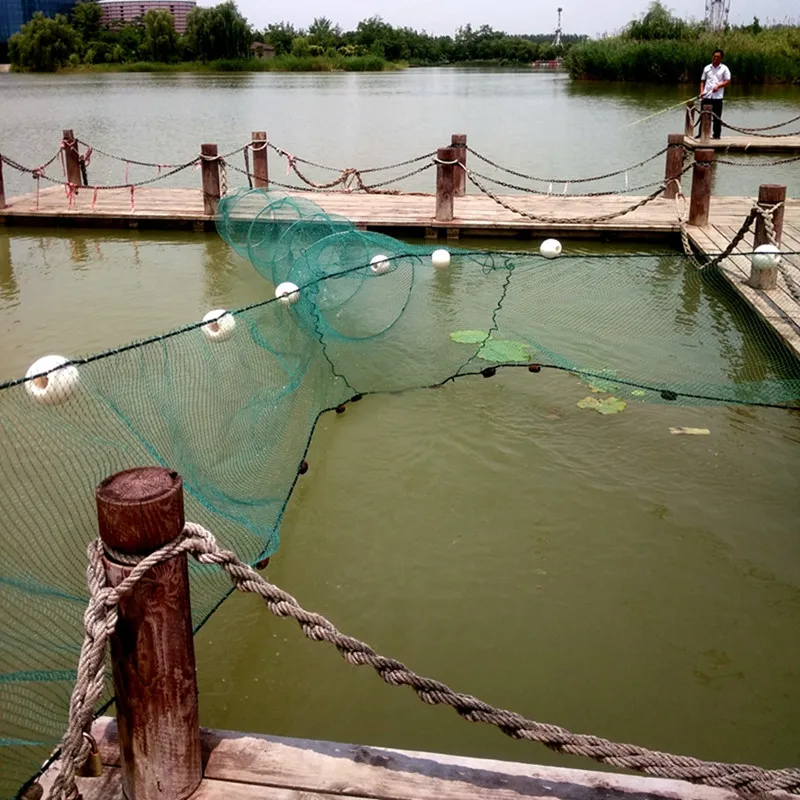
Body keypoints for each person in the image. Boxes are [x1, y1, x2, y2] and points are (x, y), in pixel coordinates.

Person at [699, 49, 731, 139]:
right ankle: (701, 134)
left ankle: (716, 135)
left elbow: (728, 80)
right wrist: (701, 92)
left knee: (717, 117)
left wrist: (719, 86)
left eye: (718, 57)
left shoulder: (724, 68)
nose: (715, 58)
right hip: (706, 95)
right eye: (714, 56)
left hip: (718, 97)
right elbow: (702, 81)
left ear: (721, 58)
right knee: (704, 115)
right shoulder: (707, 68)